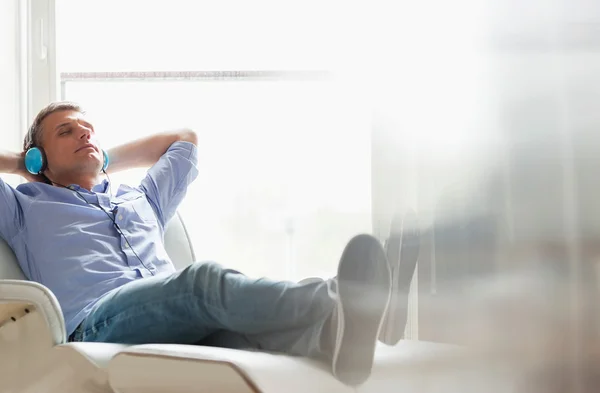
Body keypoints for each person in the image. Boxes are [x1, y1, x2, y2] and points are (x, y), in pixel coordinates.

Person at [0, 101, 419, 386]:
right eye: (67, 131)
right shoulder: (24, 207)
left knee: (235, 337)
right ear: (40, 157)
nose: (84, 135)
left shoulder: (140, 199)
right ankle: (345, 299)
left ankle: (334, 335)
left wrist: (102, 157)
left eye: (89, 130)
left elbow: (184, 139)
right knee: (203, 283)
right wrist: (24, 166)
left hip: (170, 315)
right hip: (96, 322)